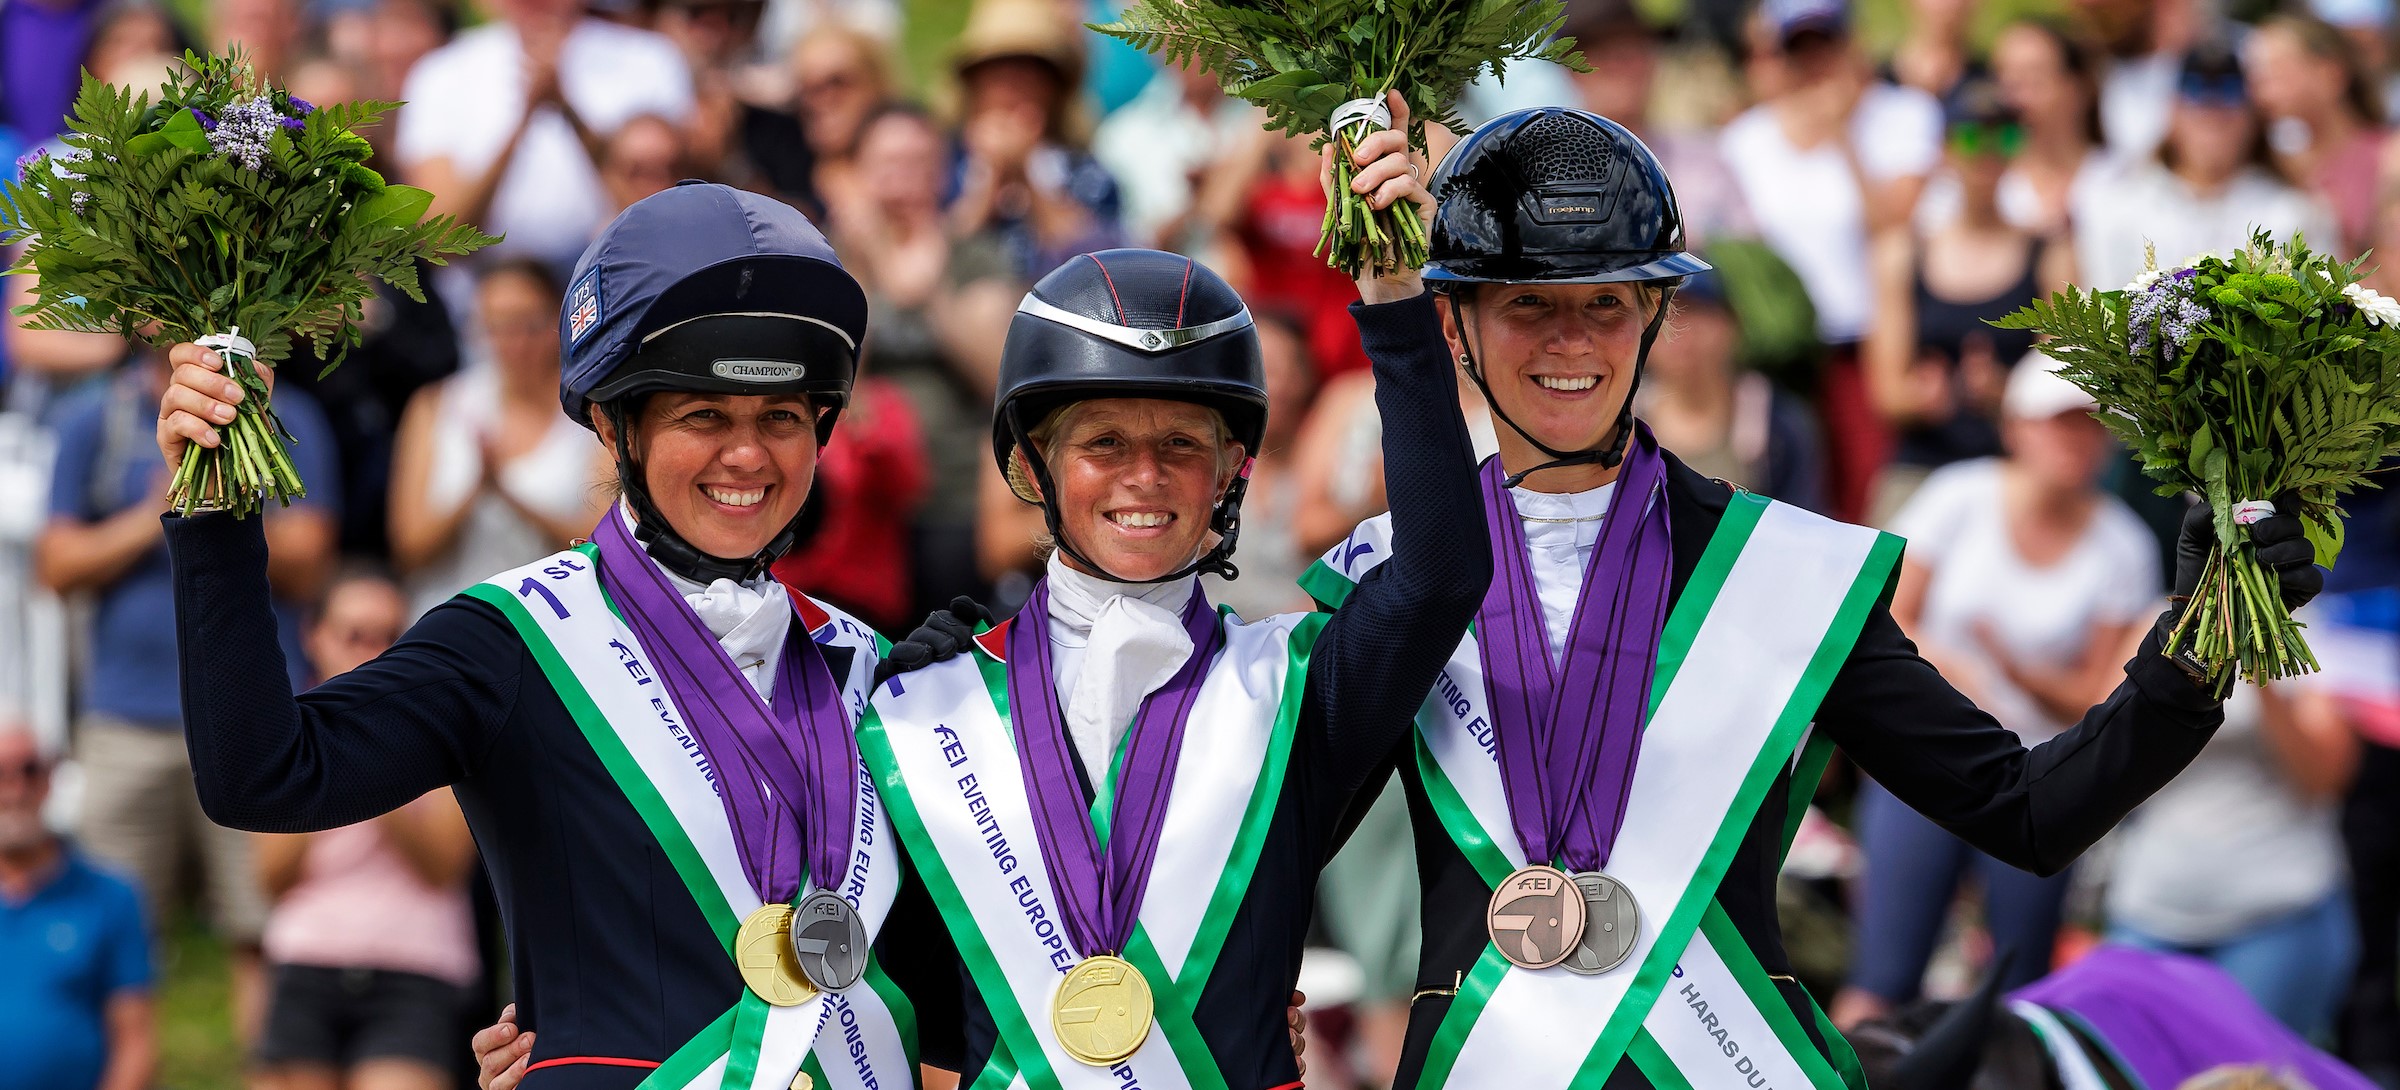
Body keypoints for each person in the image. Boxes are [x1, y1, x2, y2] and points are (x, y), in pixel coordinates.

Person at [1297, 104, 2324, 1090]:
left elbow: (2026, 811)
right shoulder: (1391, 583)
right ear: (1456, 320)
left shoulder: (1786, 572)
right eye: (1529, 304)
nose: (1572, 340)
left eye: (1605, 302)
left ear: (1655, 313)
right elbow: (1269, 856)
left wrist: (2196, 650)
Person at [156, 183, 959, 1090]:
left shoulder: (870, 666)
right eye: (703, 417)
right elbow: (261, 774)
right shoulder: (513, 640)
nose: (749, 455)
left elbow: (946, 995)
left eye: (781, 417)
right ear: (616, 429)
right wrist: (216, 511)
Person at [854, 90, 1488, 1086]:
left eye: (1182, 446)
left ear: (1234, 471)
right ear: (1033, 468)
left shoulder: (1295, 689)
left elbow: (1446, 571)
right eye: (1103, 443)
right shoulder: (920, 699)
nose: (1145, 476)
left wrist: (1395, 295)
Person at [1837, 353, 2163, 1023]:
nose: (2074, 440)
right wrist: (1956, 673)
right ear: (2015, 427)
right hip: (1920, 756)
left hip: (2039, 776)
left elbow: (2093, 698)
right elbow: (1886, 619)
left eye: (2088, 426)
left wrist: (2013, 670)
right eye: (2057, 424)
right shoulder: (1958, 496)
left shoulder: (2124, 546)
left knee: (2021, 992)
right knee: (1881, 975)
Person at [38, 350, 340, 1042]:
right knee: (106, 944)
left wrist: (203, 501)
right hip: (124, 721)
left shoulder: (286, 412)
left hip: (253, 716)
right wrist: (167, 507)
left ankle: (268, 1072)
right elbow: (56, 566)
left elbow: (312, 558)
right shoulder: (97, 420)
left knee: (263, 937)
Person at [251, 570, 482, 1090]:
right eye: (356, 635)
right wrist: (331, 746)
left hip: (417, 967)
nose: (374, 652)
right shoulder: (287, 731)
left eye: (389, 636)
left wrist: (371, 756)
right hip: (308, 957)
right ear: (315, 636)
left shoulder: (444, 728)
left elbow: (444, 866)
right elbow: (271, 877)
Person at [1719, 0, 1941, 520]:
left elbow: (1893, 226)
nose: (1816, 62)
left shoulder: (1903, 115)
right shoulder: (1747, 139)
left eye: (1827, 45)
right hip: (1780, 350)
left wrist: (1844, 137)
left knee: (1868, 499)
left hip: (1865, 346)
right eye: (1800, 49)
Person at [2106, 674, 2362, 1039]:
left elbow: (2323, 781)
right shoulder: (2157, 631)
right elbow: (2112, 749)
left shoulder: (2317, 651)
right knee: (2133, 1058)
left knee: (2251, 1068)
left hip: (2274, 915)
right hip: (2152, 907)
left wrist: (2263, 680)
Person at [1865, 78, 2075, 521]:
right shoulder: (1902, 254)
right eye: (1972, 138)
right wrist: (1926, 396)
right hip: (1923, 464)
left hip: (2012, 465)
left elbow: (2063, 382)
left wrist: (2006, 393)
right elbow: (1886, 392)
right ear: (1944, 150)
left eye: (2005, 138)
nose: (1987, 154)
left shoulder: (2049, 254)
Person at [393, 0, 694, 272]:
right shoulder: (440, 73)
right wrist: (523, 121)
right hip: (490, 297)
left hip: (620, 276)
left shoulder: (651, 58)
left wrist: (566, 110)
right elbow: (442, 239)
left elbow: (663, 204)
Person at [387, 258, 610, 617]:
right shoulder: (437, 405)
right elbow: (408, 547)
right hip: (445, 617)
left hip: (549, 626)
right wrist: (476, 489)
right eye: (496, 327)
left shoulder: (592, 414)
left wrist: (507, 493)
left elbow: (598, 544)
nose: (514, 342)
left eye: (529, 325)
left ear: (559, 322)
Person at [2076, 43, 2337, 294]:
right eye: (2197, 103)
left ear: (2252, 118)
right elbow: (2103, 312)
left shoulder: (2296, 213)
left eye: (2228, 104)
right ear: (2173, 113)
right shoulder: (2118, 209)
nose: (2212, 118)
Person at [0, 725, 156, 1090]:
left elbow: (135, 1041)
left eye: (29, 769)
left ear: (52, 775)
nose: (15, 790)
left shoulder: (110, 895)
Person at [2244, 13, 2386, 259]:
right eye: (2255, 76)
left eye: (2275, 72)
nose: (2259, 90)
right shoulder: (2273, 162)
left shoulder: (2388, 157)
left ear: (2330, 73)